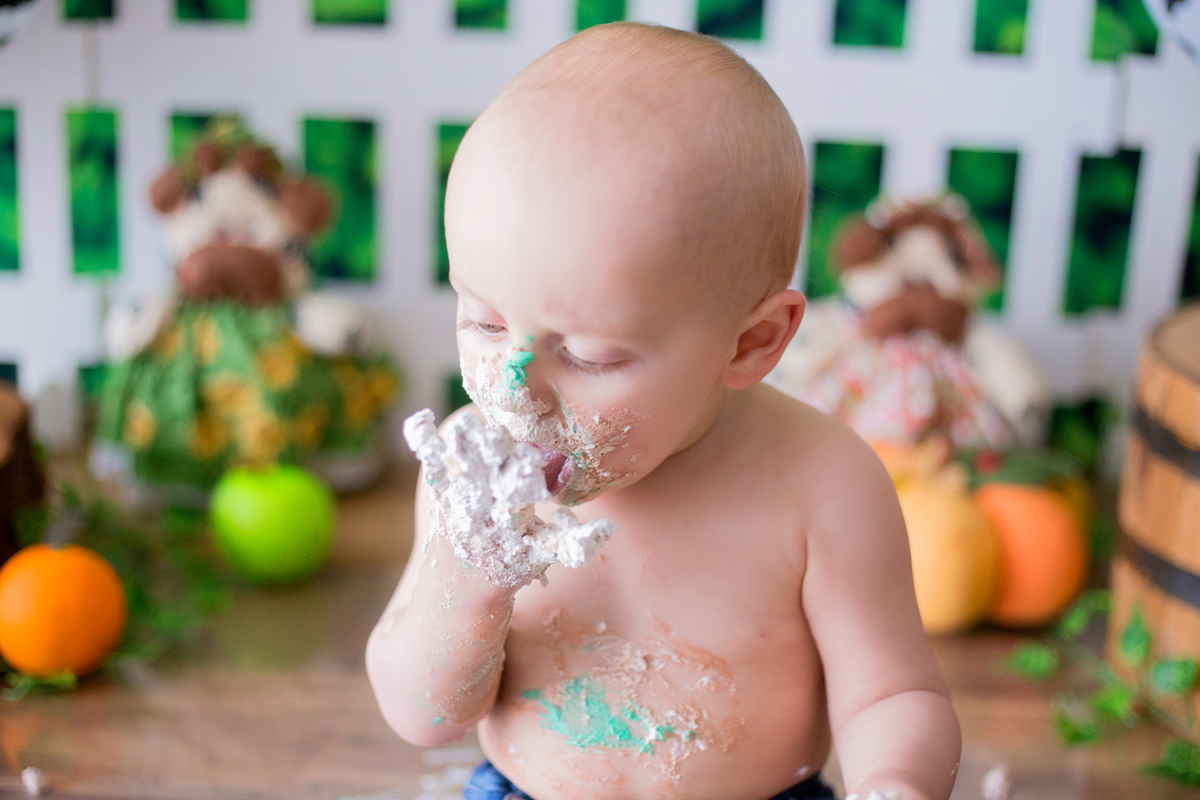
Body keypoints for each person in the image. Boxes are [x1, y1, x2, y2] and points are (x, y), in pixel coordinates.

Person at [367, 22, 959, 800]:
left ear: (751, 342)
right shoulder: (470, 478)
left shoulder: (823, 484)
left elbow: (892, 695)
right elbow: (424, 718)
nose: (515, 387)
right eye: (483, 321)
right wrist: (466, 583)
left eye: (590, 355)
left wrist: (896, 781)